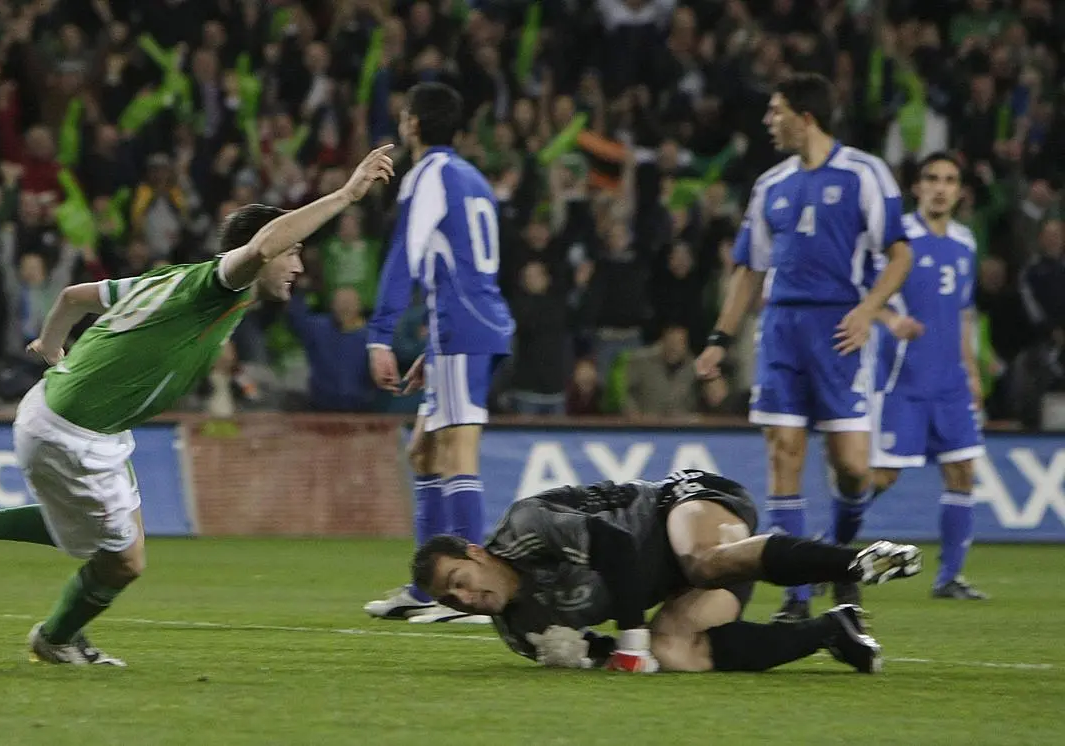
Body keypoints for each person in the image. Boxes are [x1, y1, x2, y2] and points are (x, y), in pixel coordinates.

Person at [0, 146, 397, 666]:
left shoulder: (171, 281)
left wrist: (51, 345)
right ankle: (54, 638)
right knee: (123, 561)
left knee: (107, 538)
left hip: (68, 417)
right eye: (293, 251)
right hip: (73, 432)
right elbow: (258, 247)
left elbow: (74, 296)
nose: (298, 264)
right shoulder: (214, 284)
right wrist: (347, 195)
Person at [695, 73, 914, 620]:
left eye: (776, 112)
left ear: (805, 117)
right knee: (783, 456)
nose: (769, 122)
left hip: (841, 332)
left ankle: (840, 563)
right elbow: (748, 268)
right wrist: (720, 338)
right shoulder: (771, 184)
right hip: (783, 330)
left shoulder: (864, 172)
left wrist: (868, 311)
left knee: (854, 469)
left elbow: (900, 253)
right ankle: (795, 599)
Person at [412, 470, 922, 673]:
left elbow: (614, 548)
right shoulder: (521, 633)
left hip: (682, 505)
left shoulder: (526, 526)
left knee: (700, 561)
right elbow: (619, 659)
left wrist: (628, 642)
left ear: (476, 553)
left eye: (459, 581)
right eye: (453, 601)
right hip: (679, 579)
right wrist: (586, 657)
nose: (466, 599)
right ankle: (831, 629)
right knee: (673, 650)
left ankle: (853, 561)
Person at [363, 82, 515, 624]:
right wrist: (433, 342)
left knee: (456, 456)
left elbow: (406, 252)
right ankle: (427, 588)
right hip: (467, 327)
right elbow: (468, 267)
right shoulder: (474, 179)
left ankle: (470, 594)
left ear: (413, 125)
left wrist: (381, 331)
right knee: (424, 452)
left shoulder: (428, 175)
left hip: (462, 329)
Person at [864, 153, 988, 601]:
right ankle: (825, 552)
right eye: (932, 179)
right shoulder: (901, 241)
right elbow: (867, 298)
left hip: (950, 383)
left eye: (950, 180)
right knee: (881, 477)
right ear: (917, 188)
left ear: (959, 191)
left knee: (962, 472)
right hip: (903, 380)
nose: (940, 187)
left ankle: (949, 577)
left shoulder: (965, 242)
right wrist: (889, 321)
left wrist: (971, 371)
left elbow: (964, 312)